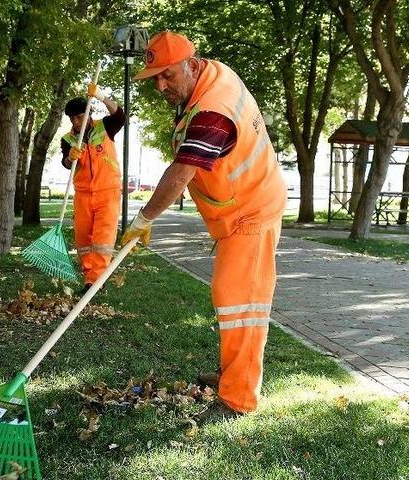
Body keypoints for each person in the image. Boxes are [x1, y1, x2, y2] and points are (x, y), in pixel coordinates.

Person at [122, 31, 287, 415]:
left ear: (192, 65)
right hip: (240, 210)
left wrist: (144, 218)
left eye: (168, 76)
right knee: (231, 299)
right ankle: (232, 374)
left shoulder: (214, 109)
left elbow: (181, 173)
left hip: (252, 211)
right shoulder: (209, 77)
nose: (161, 86)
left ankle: (238, 398)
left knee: (240, 304)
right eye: (155, 79)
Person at [61, 85, 126, 294]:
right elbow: (66, 164)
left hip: (108, 192)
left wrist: (101, 96)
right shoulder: (68, 139)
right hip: (83, 195)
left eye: (79, 117)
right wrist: (69, 158)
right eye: (72, 119)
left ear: (89, 114)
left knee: (102, 239)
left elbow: (120, 115)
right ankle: (89, 274)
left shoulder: (105, 126)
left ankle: (95, 281)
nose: (76, 122)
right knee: (83, 239)